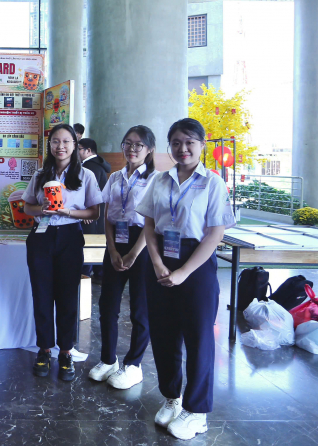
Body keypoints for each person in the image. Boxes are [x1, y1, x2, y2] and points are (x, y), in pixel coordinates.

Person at [135, 118, 235, 440]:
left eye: (190, 142)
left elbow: (215, 233)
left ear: (202, 145)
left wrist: (183, 272)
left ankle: (197, 411)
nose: (183, 148)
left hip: (197, 263)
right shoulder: (160, 180)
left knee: (199, 338)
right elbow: (149, 225)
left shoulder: (213, 183)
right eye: (176, 142)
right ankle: (172, 398)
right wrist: (156, 262)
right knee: (163, 334)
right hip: (161, 259)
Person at [22, 124, 102, 381]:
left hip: (69, 235)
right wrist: (42, 209)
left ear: (75, 145)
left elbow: (94, 212)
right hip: (41, 236)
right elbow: (27, 207)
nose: (61, 146)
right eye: (55, 141)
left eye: (66, 141)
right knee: (42, 295)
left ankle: (66, 352)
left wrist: (67, 211)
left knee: (68, 296)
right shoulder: (40, 174)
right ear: (50, 145)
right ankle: (44, 350)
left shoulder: (86, 175)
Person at [88, 125, 157, 390]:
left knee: (140, 308)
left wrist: (133, 253)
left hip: (143, 245)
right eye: (127, 143)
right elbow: (108, 215)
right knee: (108, 305)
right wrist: (113, 249)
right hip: (116, 242)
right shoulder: (115, 177)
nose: (131, 149)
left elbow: (151, 221)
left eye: (138, 144)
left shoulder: (156, 179)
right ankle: (108, 360)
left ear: (149, 149)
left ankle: (133, 365)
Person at [77, 137, 111, 279]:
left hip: (91, 214)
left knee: (89, 243)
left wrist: (87, 211)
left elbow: (91, 192)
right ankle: (97, 273)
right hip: (95, 212)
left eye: (78, 149)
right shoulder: (96, 165)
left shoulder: (91, 167)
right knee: (93, 242)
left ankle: (88, 275)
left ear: (88, 150)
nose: (76, 153)